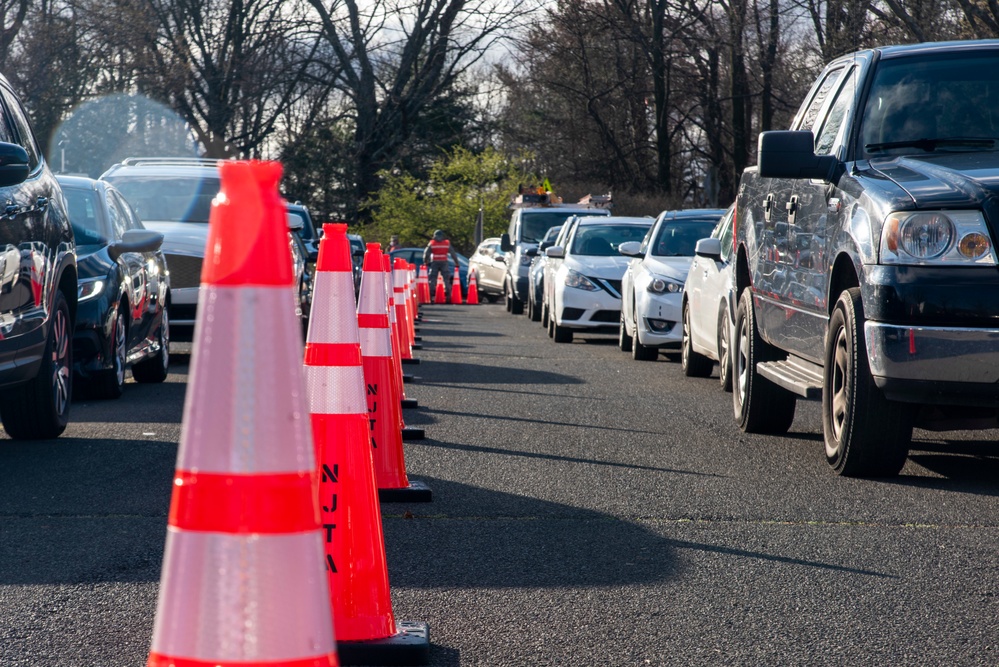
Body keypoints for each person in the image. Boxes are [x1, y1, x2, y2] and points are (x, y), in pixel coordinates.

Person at [423, 229, 459, 302]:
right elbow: (453, 254)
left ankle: (430, 296)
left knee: (433, 279)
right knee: (446, 279)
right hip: (444, 262)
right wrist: (456, 263)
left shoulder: (432, 243)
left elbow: (426, 254)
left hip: (434, 262)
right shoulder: (446, 243)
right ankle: (448, 296)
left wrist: (425, 262)